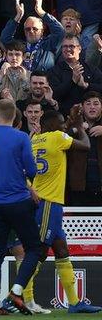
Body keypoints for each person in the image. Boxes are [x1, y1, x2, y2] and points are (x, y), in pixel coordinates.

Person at [30, 107, 102, 313]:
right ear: (53, 125)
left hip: (45, 201)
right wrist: (79, 127)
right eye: (60, 123)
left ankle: (74, 302)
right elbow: (86, 146)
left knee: (61, 250)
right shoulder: (57, 136)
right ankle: (18, 294)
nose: (63, 126)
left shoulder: (35, 140)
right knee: (40, 251)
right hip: (49, 202)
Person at [0, 99, 40, 315]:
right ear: (15, 117)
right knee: (34, 248)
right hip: (18, 201)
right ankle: (16, 292)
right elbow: (32, 169)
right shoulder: (21, 137)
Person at [0, 0, 64, 72]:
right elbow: (4, 39)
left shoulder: (49, 44)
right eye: (27, 29)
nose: (31, 31)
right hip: (23, 82)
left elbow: (60, 31)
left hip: (43, 82)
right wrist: (17, 17)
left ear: (42, 31)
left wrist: (41, 12)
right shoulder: (20, 46)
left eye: (35, 29)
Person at [68, 91, 102, 205]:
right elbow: (60, 136)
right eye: (88, 103)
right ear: (82, 107)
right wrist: (77, 129)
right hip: (78, 185)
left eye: (96, 103)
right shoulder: (74, 122)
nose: (92, 107)